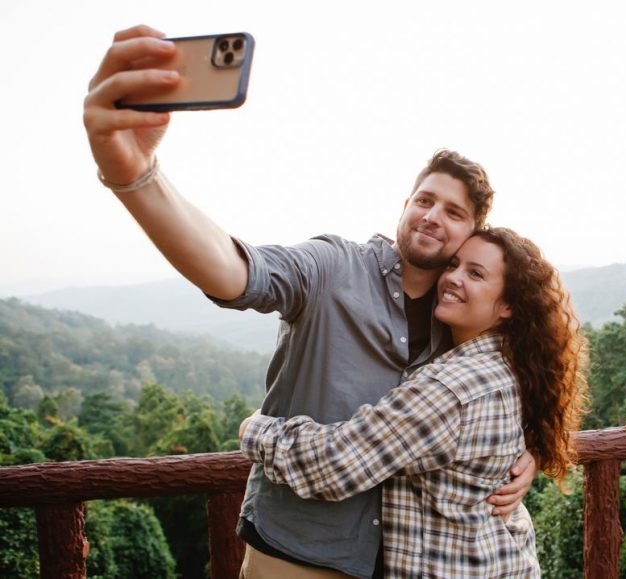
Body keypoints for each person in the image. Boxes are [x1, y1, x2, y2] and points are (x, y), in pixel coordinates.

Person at [83, 25, 537, 578]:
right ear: (405, 203)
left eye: (453, 212)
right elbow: (233, 270)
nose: (432, 217)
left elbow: (512, 391)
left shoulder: (459, 320)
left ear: (471, 232)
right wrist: (135, 175)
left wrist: (527, 455)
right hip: (297, 551)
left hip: (392, 560)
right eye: (425, 199)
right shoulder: (333, 267)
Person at [239, 227, 587, 577]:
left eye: (475, 273)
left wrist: (256, 429)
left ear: (509, 305)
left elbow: (337, 463)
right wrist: (533, 452)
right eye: (453, 265)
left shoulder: (452, 389)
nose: (452, 278)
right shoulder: (510, 366)